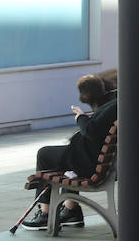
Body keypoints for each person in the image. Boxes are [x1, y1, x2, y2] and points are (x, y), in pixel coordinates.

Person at [21, 73, 118, 229]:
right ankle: (69, 209)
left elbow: (91, 130)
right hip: (113, 160)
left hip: (97, 164)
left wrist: (80, 117)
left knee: (45, 154)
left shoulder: (120, 104)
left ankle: (45, 213)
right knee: (68, 158)